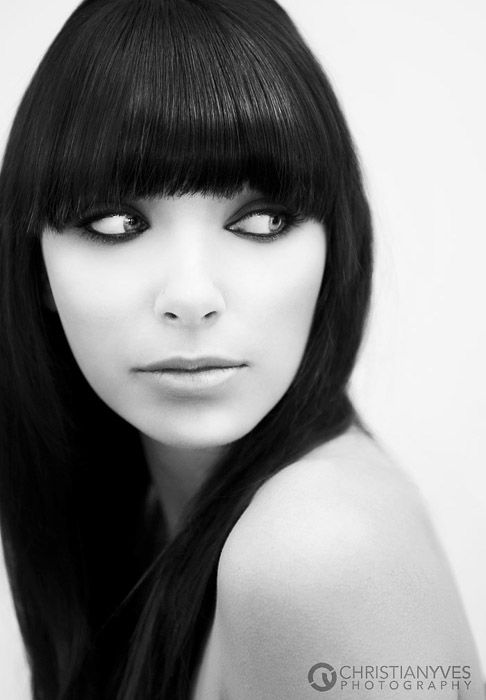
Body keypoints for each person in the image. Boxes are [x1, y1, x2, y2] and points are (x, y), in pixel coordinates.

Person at [0, 0, 482, 698]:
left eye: (260, 220)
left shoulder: (317, 551)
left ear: (333, 245)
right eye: (115, 222)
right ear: (36, 266)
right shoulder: (144, 517)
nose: (192, 295)